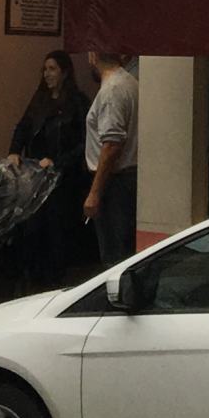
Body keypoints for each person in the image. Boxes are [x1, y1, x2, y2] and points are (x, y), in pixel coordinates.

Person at [10, 51, 89, 286]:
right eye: (45, 69)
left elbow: (84, 142)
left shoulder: (77, 103)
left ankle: (55, 279)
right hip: (37, 177)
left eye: (52, 69)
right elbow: (24, 126)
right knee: (33, 230)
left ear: (65, 72)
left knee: (57, 232)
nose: (47, 74)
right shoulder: (39, 100)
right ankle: (32, 278)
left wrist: (58, 161)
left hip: (62, 180)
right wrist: (14, 151)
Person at [81, 51, 139, 268]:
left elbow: (112, 144)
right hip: (127, 177)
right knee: (125, 251)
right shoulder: (129, 81)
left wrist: (95, 192)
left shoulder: (111, 90)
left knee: (115, 257)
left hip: (115, 181)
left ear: (93, 55)